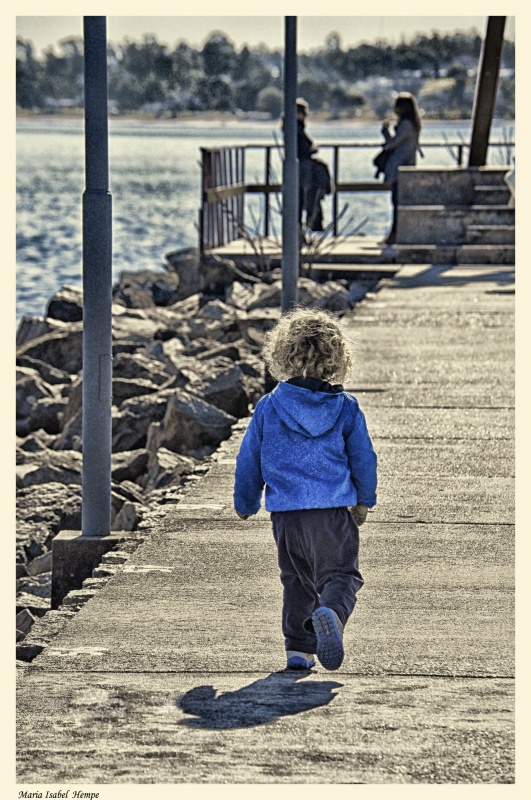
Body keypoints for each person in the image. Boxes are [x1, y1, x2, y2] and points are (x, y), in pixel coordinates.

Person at [233, 308, 378, 671]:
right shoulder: (345, 408)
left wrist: (246, 501)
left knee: (296, 581)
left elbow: (249, 458)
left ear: (281, 355)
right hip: (331, 513)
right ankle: (330, 613)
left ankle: (298, 651)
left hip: (286, 517)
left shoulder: (269, 407)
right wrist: (364, 500)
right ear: (338, 359)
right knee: (341, 575)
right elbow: (363, 459)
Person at [380, 92, 422, 245]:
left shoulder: (405, 125)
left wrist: (385, 133)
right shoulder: (413, 124)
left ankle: (395, 234)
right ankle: (395, 233)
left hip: (401, 168)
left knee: (397, 201)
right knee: (398, 201)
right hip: (406, 166)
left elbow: (393, 144)